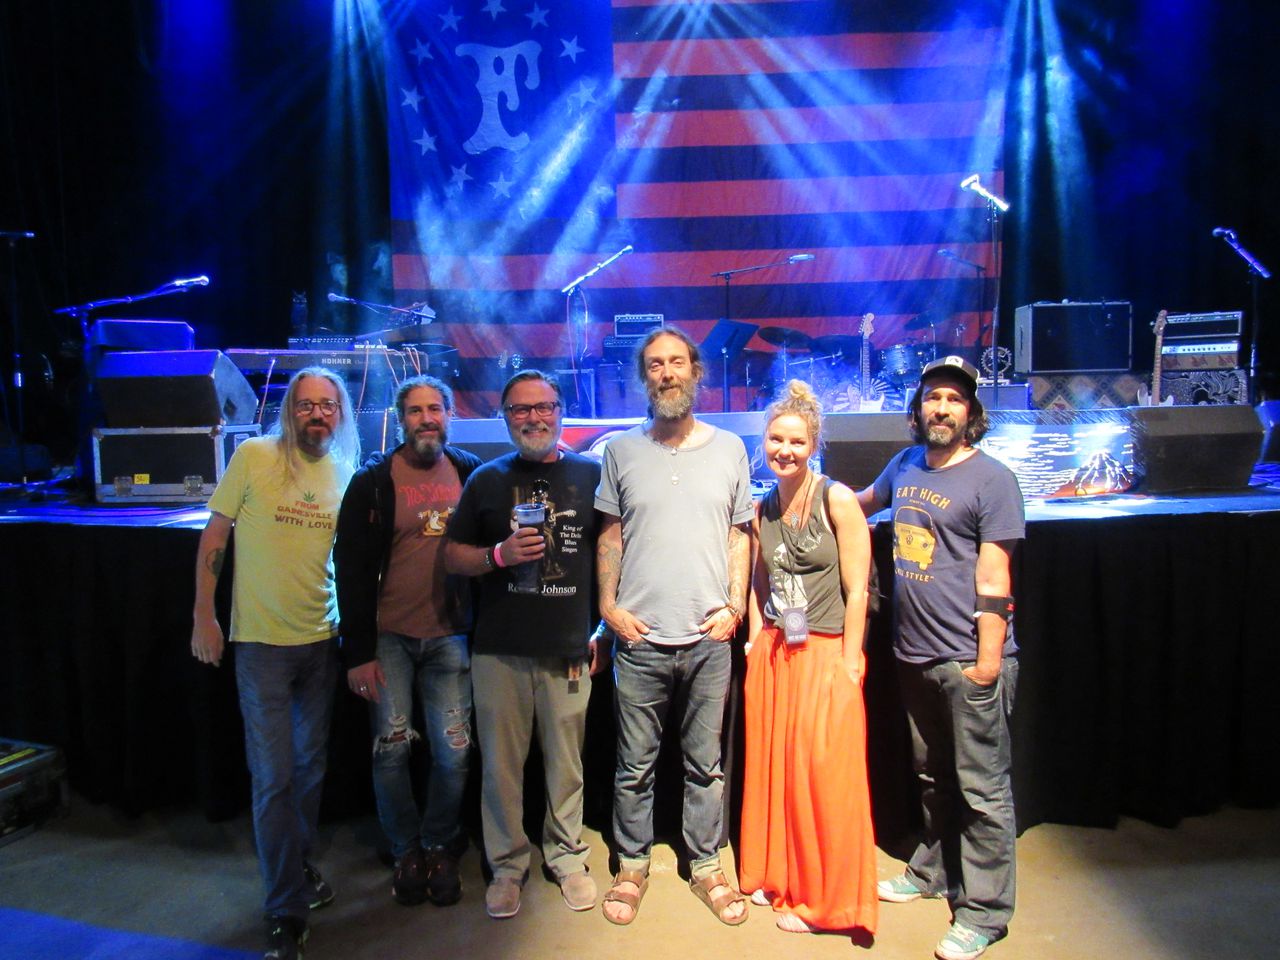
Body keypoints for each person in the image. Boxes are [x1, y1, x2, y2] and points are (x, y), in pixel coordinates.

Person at [857, 356, 1025, 960]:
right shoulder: (904, 464)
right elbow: (860, 503)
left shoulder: (993, 479)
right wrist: (793, 492)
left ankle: (984, 912)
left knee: (983, 791)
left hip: (966, 661)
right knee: (933, 777)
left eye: (955, 399)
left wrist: (986, 665)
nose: (942, 408)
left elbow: (995, 575)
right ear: (919, 408)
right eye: (933, 398)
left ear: (971, 412)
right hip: (915, 657)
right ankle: (931, 871)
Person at [191, 367, 360, 960]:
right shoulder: (254, 456)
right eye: (307, 404)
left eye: (328, 405)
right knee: (274, 778)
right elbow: (215, 536)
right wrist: (204, 616)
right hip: (261, 644)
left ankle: (297, 866)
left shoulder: (344, 470)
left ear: (341, 413)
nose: (318, 414)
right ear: (290, 410)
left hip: (322, 640)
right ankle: (284, 908)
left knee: (309, 770)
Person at [595, 327, 753, 926]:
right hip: (640, 639)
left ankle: (707, 866)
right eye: (656, 364)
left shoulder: (730, 449)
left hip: (709, 640)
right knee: (633, 767)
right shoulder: (620, 451)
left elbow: (739, 533)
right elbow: (610, 534)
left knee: (705, 767)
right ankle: (631, 866)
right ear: (645, 377)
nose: (667, 373)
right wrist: (608, 608)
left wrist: (734, 607)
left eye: (677, 362)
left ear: (696, 372)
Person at [443, 370, 603, 920]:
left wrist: (602, 630)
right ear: (505, 417)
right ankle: (507, 867)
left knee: (567, 766)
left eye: (543, 407)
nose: (533, 418)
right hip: (499, 650)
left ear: (560, 411)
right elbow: (452, 556)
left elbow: (616, 555)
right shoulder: (486, 480)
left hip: (569, 649)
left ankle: (568, 859)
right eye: (520, 409)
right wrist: (498, 556)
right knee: (501, 769)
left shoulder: (592, 474)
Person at [333, 375, 482, 907]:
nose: (427, 419)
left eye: (435, 409)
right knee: (391, 752)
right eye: (416, 411)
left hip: (451, 636)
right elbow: (350, 570)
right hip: (389, 638)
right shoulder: (372, 481)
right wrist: (358, 653)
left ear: (449, 416)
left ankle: (439, 844)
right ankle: (405, 850)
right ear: (401, 421)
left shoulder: (469, 471)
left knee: (454, 753)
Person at [737, 380, 878, 936]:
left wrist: (850, 661)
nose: (785, 450)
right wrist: (754, 640)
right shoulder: (763, 507)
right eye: (776, 439)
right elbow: (759, 580)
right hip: (778, 653)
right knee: (780, 773)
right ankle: (782, 877)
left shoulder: (836, 499)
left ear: (814, 445)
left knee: (824, 778)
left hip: (825, 653)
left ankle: (829, 903)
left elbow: (859, 590)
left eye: (797, 441)